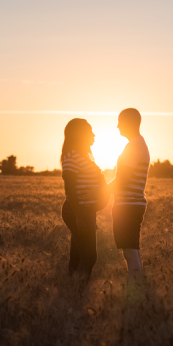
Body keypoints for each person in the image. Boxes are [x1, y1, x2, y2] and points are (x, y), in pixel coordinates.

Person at [61, 118, 108, 280]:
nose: (94, 135)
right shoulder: (71, 156)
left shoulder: (84, 156)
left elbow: (100, 179)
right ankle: (77, 289)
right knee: (89, 257)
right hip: (77, 211)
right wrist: (80, 217)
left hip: (85, 210)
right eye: (90, 131)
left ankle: (70, 291)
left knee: (78, 255)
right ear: (80, 134)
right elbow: (70, 189)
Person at [108, 108, 150, 289]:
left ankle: (135, 286)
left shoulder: (134, 146)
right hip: (132, 203)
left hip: (128, 205)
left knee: (130, 249)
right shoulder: (138, 144)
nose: (117, 126)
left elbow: (123, 177)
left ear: (129, 122)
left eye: (120, 121)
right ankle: (138, 283)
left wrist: (102, 192)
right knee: (132, 248)